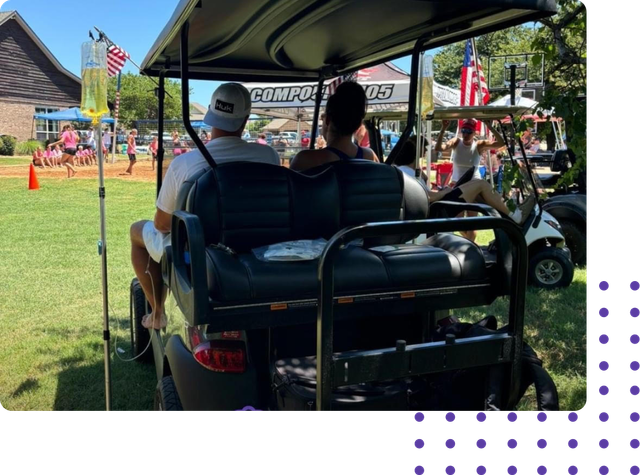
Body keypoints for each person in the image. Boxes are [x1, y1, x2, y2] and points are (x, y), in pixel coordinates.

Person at [129, 83, 281, 330]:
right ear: (244, 120)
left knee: (137, 231)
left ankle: (157, 312)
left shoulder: (185, 163)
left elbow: (162, 224)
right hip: (254, 244)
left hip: (198, 250)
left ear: (211, 116)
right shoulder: (269, 157)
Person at [394, 136, 534, 223]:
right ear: (415, 152)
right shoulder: (407, 172)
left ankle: (506, 216)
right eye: (423, 149)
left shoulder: (409, 170)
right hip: (435, 210)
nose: (425, 152)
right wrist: (444, 192)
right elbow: (428, 196)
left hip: (434, 206)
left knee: (478, 190)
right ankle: (516, 217)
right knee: (480, 184)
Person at [435, 118, 505, 242]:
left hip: (474, 186)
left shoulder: (479, 145)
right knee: (457, 222)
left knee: (472, 224)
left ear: (475, 133)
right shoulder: (456, 142)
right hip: (457, 185)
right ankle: (471, 245)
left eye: (469, 131)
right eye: (464, 130)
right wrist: (443, 129)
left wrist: (490, 126)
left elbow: (501, 143)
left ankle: (471, 247)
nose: (466, 134)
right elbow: (439, 148)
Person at [290, 81, 379, 172]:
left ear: (328, 120)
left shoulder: (305, 160)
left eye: (322, 117)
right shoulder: (370, 157)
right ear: (359, 123)